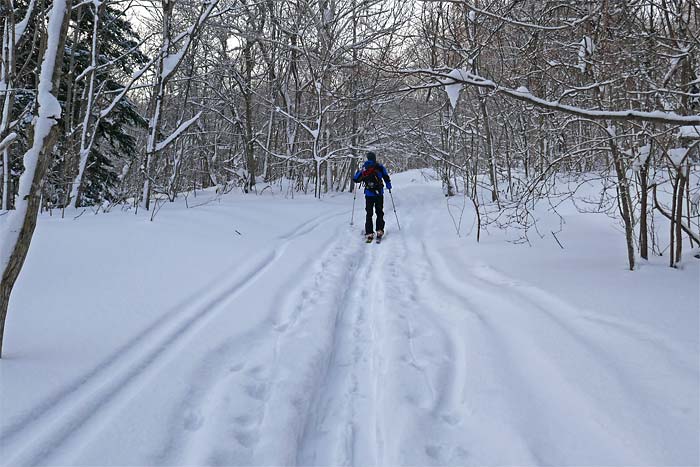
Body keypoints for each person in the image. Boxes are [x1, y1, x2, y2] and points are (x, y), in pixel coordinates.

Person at [353, 151, 392, 241]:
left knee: (369, 214)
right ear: (374, 158)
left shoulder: (364, 167)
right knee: (379, 212)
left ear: (367, 158)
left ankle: (369, 233)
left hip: (368, 194)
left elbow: (356, 179)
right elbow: (386, 177)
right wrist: (389, 186)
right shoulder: (380, 167)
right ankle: (379, 230)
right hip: (379, 193)